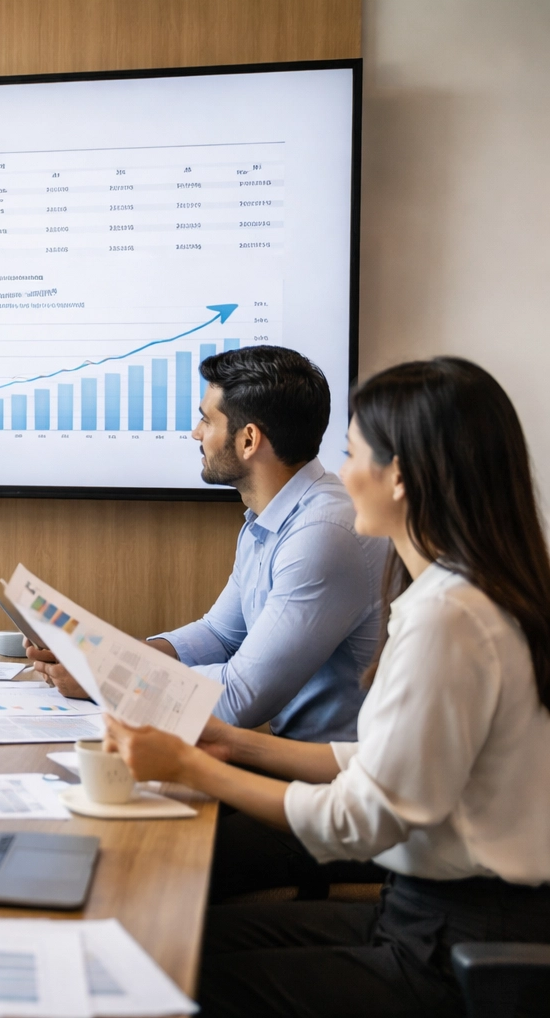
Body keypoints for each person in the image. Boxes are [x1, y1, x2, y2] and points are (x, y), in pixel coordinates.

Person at [106, 357, 550, 1017]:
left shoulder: (448, 617)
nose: (342, 475)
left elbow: (363, 818)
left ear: (400, 475)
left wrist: (197, 766)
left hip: (452, 941)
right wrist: (233, 743)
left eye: (352, 454)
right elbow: (377, 760)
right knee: (171, 942)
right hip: (430, 914)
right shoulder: (460, 593)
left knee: (171, 970)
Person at [28, 347, 390, 899]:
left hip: (333, 794)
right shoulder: (272, 518)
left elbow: (241, 698)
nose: (195, 433)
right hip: (289, 771)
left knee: (129, 856)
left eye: (206, 419)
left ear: (248, 440)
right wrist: (106, 655)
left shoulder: (324, 532)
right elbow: (219, 634)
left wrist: (111, 679)